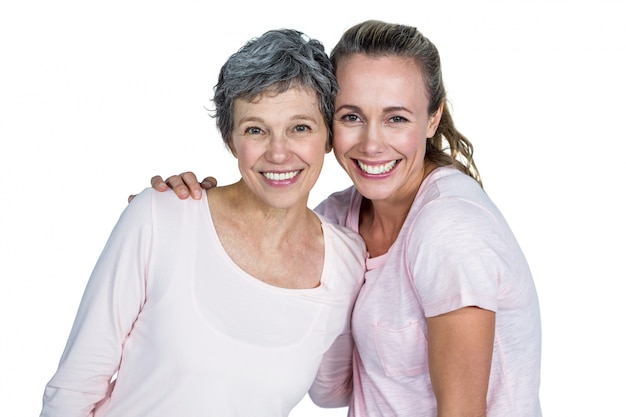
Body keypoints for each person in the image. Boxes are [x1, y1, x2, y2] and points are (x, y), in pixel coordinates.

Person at [152, 20, 542, 417]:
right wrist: (186, 214)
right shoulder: (335, 222)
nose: (372, 144)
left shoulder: (452, 230)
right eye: (351, 117)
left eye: (397, 119)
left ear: (432, 118)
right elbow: (332, 390)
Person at [40, 28, 367, 417]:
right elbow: (73, 390)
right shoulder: (162, 217)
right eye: (255, 130)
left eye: (300, 127)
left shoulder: (347, 262)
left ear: (328, 137)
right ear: (231, 140)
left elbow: (332, 391)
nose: (279, 152)